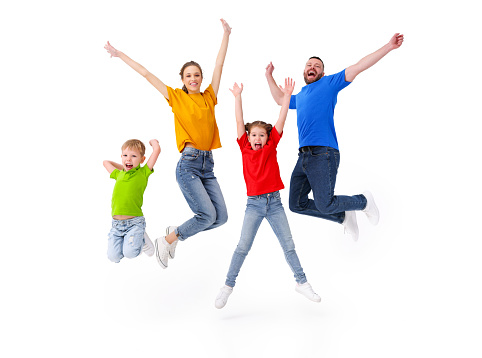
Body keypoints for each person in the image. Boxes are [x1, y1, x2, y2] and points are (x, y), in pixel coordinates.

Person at [104, 19, 231, 269]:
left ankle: (173, 233)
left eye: (197, 75)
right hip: (189, 165)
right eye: (188, 76)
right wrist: (119, 55)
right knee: (206, 216)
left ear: (201, 78)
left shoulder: (209, 97)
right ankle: (167, 240)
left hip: (208, 165)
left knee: (220, 218)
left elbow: (219, 64)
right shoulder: (175, 97)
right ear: (183, 80)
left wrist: (226, 34)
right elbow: (146, 74)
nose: (193, 78)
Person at [265, 34, 404, 241]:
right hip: (303, 157)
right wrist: (269, 76)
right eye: (309, 65)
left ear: (322, 72)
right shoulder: (301, 95)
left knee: (325, 203)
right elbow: (279, 99)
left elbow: (359, 66)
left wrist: (389, 46)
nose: (312, 67)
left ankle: (363, 201)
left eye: (317, 66)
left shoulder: (330, 83)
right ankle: (343, 216)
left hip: (324, 154)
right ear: (304, 71)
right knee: (296, 204)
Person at [214, 79, 321, 309]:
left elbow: (281, 120)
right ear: (248, 137)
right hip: (253, 205)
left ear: (267, 138)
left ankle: (302, 282)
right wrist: (237, 97)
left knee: (288, 245)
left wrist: (287, 97)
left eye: (262, 135)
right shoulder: (243, 145)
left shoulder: (272, 145)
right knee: (243, 246)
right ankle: (227, 287)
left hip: (275, 204)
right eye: (254, 135)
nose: (257, 139)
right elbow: (239, 121)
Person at [103, 139, 161, 263]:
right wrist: (124, 166)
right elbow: (106, 162)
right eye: (125, 156)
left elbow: (157, 151)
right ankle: (136, 239)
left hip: (134, 223)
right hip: (116, 225)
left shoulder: (143, 173)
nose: (128, 159)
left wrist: (154, 143)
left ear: (142, 159)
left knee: (130, 253)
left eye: (133, 156)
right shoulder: (118, 174)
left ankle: (141, 239)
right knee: (113, 257)